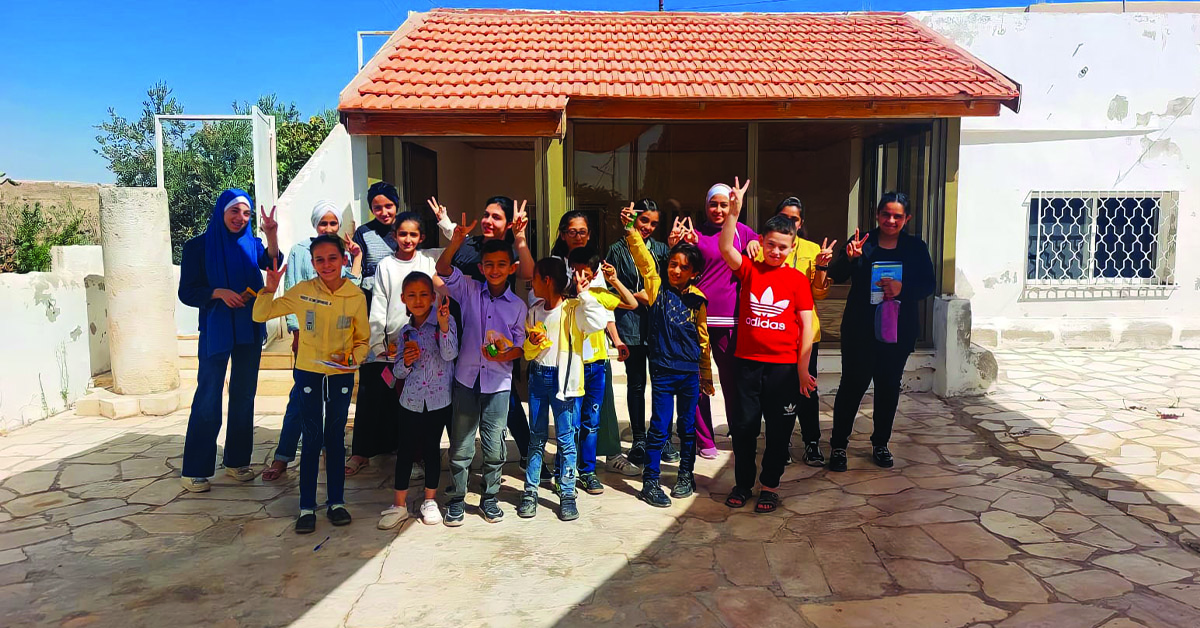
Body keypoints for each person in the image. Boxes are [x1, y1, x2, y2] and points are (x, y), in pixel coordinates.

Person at [252, 234, 369, 534]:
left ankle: (336, 503)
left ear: (344, 260)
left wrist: (354, 357)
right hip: (308, 374)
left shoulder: (355, 296)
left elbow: (363, 339)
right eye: (320, 259)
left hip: (340, 375)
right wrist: (270, 287)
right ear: (312, 262)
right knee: (312, 437)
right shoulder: (303, 291)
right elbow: (261, 313)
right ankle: (307, 507)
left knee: (334, 438)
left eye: (332, 258)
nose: (326, 265)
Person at [718, 179, 817, 514]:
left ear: (792, 247)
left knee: (779, 433)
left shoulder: (798, 280)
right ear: (762, 242)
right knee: (744, 430)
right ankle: (743, 484)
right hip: (747, 364)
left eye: (783, 247)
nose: (776, 252)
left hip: (784, 370)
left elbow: (806, 324)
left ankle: (770, 486)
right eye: (771, 245)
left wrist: (803, 368)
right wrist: (734, 212)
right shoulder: (750, 270)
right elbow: (726, 248)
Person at [177, 189, 280, 493]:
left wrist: (271, 234)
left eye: (246, 213)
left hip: (249, 327)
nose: (240, 218)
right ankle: (195, 468)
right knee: (208, 395)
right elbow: (187, 291)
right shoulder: (198, 247)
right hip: (216, 328)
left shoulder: (253, 243)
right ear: (221, 211)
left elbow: (272, 263)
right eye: (235, 211)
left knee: (244, 394)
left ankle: (237, 460)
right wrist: (217, 293)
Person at [827, 192, 935, 472]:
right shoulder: (863, 242)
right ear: (877, 215)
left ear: (906, 219)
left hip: (897, 331)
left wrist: (903, 289)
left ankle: (880, 443)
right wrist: (849, 259)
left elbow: (927, 285)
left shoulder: (915, 248)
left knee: (888, 388)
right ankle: (839, 446)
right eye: (886, 214)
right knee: (852, 387)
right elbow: (835, 275)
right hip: (860, 330)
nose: (891, 220)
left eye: (898, 216)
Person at [345, 202, 455, 477]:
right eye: (402, 234)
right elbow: (379, 305)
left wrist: (444, 221)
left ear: (421, 238)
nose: (407, 239)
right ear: (394, 236)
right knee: (402, 401)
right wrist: (378, 345)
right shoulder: (385, 266)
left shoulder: (428, 261)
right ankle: (396, 452)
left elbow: (458, 246)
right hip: (396, 347)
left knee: (423, 404)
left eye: (413, 235)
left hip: (428, 345)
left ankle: (420, 458)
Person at [436, 218, 528, 526]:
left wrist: (505, 350)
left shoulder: (517, 306)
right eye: (489, 264)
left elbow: (520, 349)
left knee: (494, 444)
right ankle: (457, 498)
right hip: (466, 379)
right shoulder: (470, 290)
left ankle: (490, 497)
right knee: (461, 444)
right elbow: (443, 269)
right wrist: (455, 242)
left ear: (511, 268)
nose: (495, 270)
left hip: (498, 383)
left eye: (502, 264)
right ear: (482, 268)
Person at [263, 200, 362, 482]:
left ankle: (330, 450)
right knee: (300, 400)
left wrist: (355, 259)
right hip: (308, 341)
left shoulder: (340, 251)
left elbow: (350, 292)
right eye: (323, 223)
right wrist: (295, 334)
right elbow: (292, 290)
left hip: (337, 343)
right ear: (314, 224)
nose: (328, 228)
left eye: (333, 224)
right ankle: (282, 457)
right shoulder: (298, 251)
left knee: (335, 402)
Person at [622, 206, 713, 508]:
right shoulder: (657, 287)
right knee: (660, 426)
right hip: (662, 370)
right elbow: (645, 263)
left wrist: (706, 376)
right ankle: (650, 481)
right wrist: (632, 231)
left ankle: (686, 474)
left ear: (694, 273)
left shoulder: (698, 300)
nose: (676, 270)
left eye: (683, 267)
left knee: (688, 427)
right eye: (673, 264)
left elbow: (703, 339)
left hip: (689, 373)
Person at [518, 258, 613, 521]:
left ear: (546, 280)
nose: (531, 283)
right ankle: (530, 492)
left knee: (566, 440)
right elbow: (528, 353)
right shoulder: (535, 310)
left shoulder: (573, 310)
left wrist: (584, 294)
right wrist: (533, 343)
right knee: (536, 437)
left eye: (534, 278)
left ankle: (568, 493)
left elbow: (597, 321)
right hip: (538, 378)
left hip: (565, 384)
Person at [449, 196, 537, 470]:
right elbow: (444, 272)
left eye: (496, 217)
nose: (488, 221)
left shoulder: (511, 250)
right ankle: (458, 461)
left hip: (498, 334)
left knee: (506, 398)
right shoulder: (468, 245)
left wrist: (520, 237)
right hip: (463, 327)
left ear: (508, 223)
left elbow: (529, 273)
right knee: (460, 395)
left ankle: (525, 453)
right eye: (486, 214)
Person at [679, 184, 760, 460]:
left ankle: (739, 432)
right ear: (706, 205)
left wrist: (754, 244)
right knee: (699, 381)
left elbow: (763, 249)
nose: (719, 210)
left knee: (732, 382)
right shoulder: (695, 234)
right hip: (696, 318)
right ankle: (704, 439)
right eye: (714, 204)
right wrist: (679, 244)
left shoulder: (743, 231)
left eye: (724, 204)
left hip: (730, 319)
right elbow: (679, 269)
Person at [754, 197, 835, 467]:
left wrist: (822, 265)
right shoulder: (767, 246)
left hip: (805, 334)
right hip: (774, 332)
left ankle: (812, 442)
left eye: (795, 218)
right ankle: (782, 442)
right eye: (784, 217)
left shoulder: (812, 249)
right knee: (776, 391)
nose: (790, 222)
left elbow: (819, 293)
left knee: (806, 389)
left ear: (801, 223)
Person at [548, 211, 630, 475]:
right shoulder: (556, 265)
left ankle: (603, 458)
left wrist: (616, 340)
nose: (577, 236)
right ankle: (567, 465)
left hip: (595, 349)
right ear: (562, 234)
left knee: (600, 408)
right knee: (570, 413)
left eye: (582, 231)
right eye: (572, 231)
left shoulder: (595, 266)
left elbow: (606, 309)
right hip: (568, 349)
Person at [378, 275, 458, 529]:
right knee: (406, 451)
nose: (418, 300)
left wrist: (444, 326)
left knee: (432, 450)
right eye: (411, 295)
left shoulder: (444, 323)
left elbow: (450, 353)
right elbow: (399, 371)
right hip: (411, 400)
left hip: (438, 400)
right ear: (403, 299)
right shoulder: (406, 331)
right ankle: (399, 504)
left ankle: (430, 500)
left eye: (424, 294)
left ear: (433, 298)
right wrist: (408, 361)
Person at [561, 248, 638, 496]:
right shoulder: (562, 296)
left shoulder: (599, 294)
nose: (579, 277)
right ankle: (566, 471)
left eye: (586, 273)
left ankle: (587, 472)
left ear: (594, 274)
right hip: (571, 365)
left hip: (596, 365)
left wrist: (614, 280)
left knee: (591, 422)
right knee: (570, 423)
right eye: (575, 271)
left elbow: (631, 303)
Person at [604, 200, 671, 476]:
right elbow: (611, 287)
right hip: (630, 325)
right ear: (634, 220)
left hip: (657, 325)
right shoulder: (617, 250)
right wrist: (640, 296)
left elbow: (667, 284)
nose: (648, 228)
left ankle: (661, 437)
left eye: (653, 223)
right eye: (644, 221)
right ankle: (640, 439)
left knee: (661, 384)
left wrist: (646, 295)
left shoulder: (661, 249)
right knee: (635, 385)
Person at [347, 181, 403, 476]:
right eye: (377, 207)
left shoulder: (406, 229)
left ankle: (395, 444)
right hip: (373, 318)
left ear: (397, 205)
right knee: (370, 384)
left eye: (389, 205)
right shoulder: (364, 234)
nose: (384, 211)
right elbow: (357, 276)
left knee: (400, 384)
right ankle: (362, 451)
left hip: (403, 318)